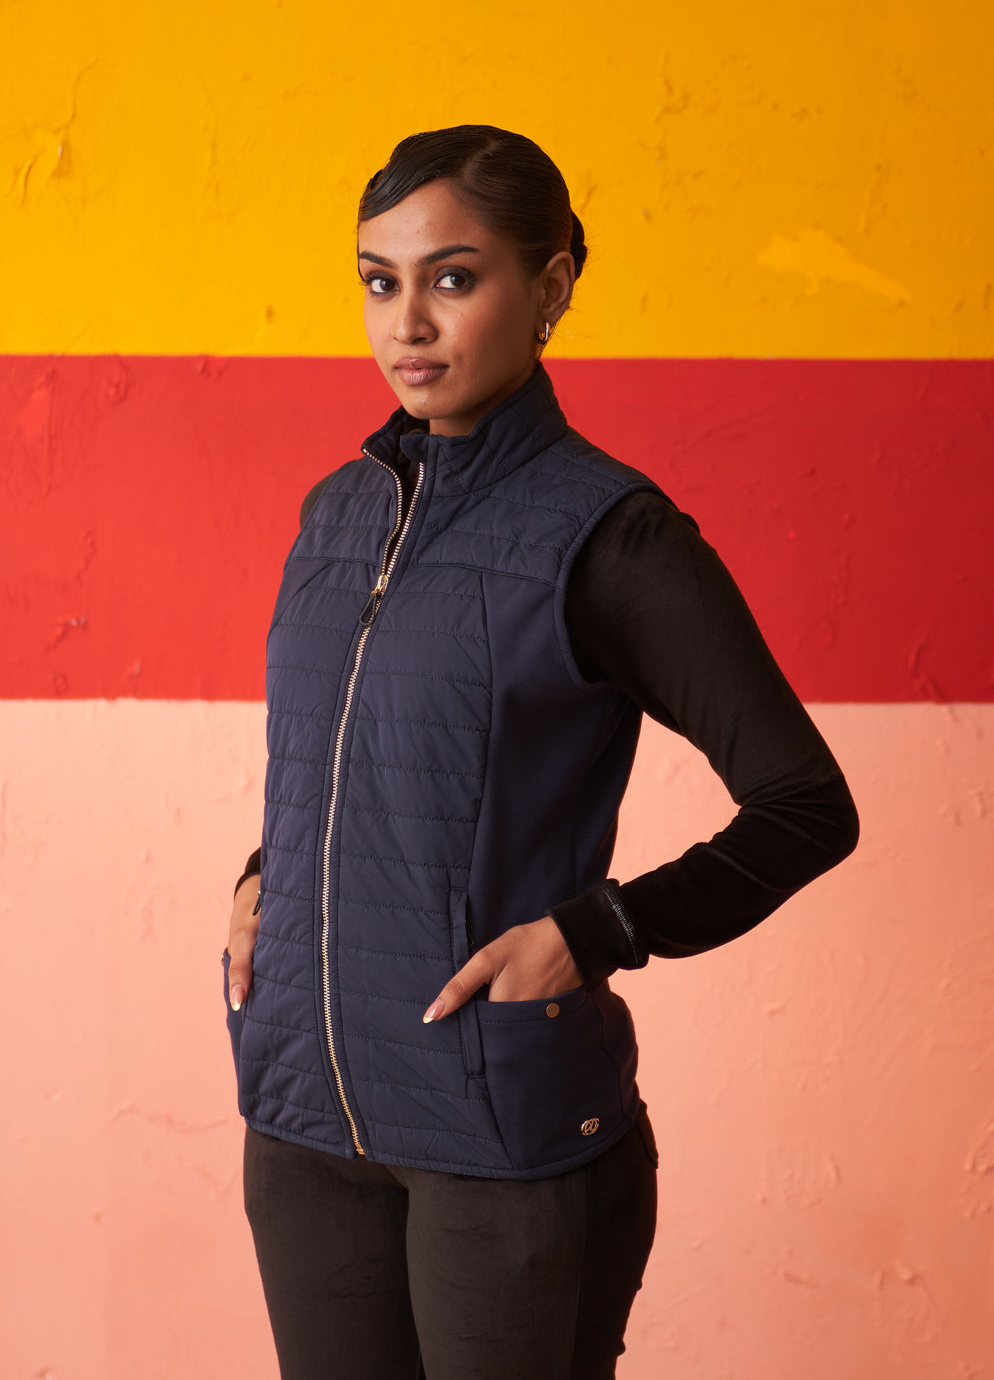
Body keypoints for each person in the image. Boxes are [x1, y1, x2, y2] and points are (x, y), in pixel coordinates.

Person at [224, 125, 858, 1380]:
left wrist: (599, 926)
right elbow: (346, 762)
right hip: (304, 1121)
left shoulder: (611, 534)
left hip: (503, 1134)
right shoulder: (336, 514)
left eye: (453, 278)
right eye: (379, 281)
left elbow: (805, 804)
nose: (407, 322)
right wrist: (263, 876)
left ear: (552, 285)